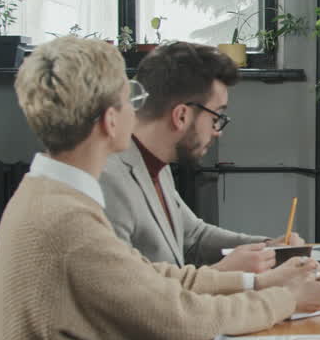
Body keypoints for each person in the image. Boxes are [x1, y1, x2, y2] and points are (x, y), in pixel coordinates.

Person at [0, 36, 320, 340]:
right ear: (109, 119)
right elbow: (178, 318)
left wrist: (260, 279)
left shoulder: (50, 196)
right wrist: (284, 299)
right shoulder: (66, 222)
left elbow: (153, 276)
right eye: (129, 97)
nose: (139, 108)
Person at [101, 42, 304, 274]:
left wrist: (268, 249)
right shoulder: (108, 181)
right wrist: (223, 273)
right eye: (216, 116)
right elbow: (129, 294)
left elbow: (194, 237)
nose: (218, 130)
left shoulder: (156, 164)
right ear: (181, 116)